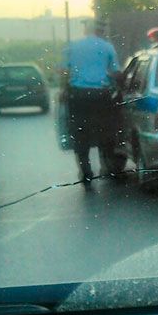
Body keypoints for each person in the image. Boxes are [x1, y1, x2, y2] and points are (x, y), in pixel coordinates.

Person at [60, 19, 120, 189]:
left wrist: (64, 89)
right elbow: (116, 72)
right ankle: (107, 166)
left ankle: (86, 170)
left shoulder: (72, 46)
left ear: (86, 31)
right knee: (105, 131)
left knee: (80, 133)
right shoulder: (107, 47)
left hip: (78, 96)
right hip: (101, 96)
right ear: (100, 31)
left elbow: (64, 70)